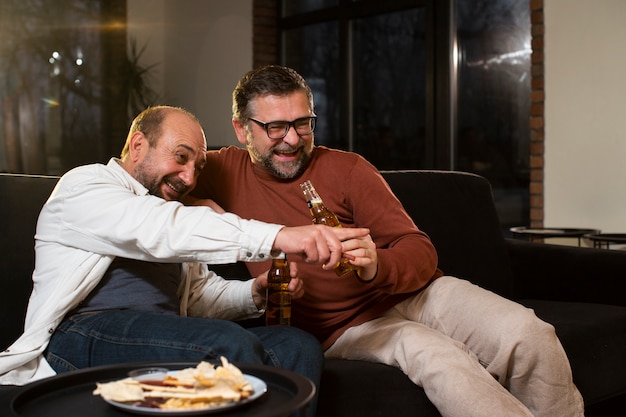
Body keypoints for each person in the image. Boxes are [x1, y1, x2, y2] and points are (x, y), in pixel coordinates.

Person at [188, 65, 585, 417]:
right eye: (275, 127)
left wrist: (377, 263)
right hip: (343, 329)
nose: (292, 139)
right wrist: (198, 203)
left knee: (528, 332)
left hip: (417, 293)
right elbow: (147, 183)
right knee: (442, 359)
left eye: (303, 123)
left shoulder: (348, 168)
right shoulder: (221, 171)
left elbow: (419, 249)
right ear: (242, 129)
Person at [0, 105, 369, 417]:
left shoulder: (170, 210)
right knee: (224, 345)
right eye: (180, 157)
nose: (190, 177)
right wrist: (281, 235)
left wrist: (255, 293)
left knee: (297, 345)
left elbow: (198, 298)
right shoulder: (86, 186)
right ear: (138, 145)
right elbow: (158, 228)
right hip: (78, 335)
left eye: (198, 165)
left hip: (160, 331)